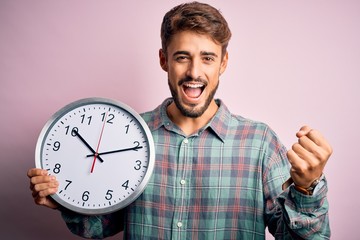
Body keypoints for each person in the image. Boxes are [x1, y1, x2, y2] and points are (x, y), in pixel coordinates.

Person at [28, 2, 332, 239]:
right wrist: (64, 199)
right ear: (164, 60)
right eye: (182, 56)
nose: (194, 72)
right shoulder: (128, 136)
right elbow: (100, 227)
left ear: (223, 63)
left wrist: (306, 190)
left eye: (208, 58)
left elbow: (298, 238)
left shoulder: (260, 143)